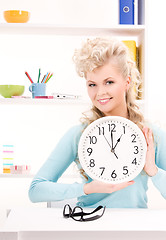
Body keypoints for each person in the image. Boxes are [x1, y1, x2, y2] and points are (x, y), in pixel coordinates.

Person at [29, 38, 166, 208]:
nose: (100, 92)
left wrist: (153, 171)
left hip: (134, 228)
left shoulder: (149, 135)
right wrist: (87, 188)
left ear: (127, 82)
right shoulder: (79, 135)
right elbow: (36, 190)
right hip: (89, 225)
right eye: (92, 84)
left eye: (109, 82)